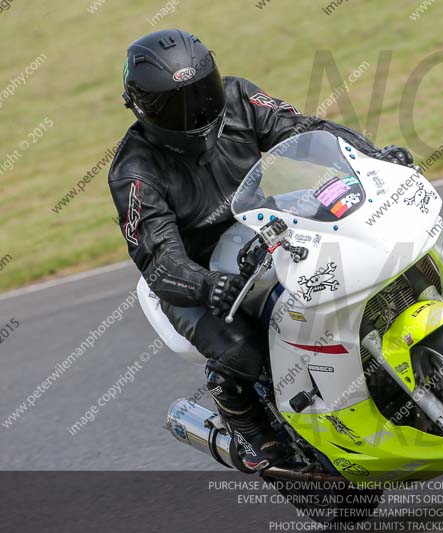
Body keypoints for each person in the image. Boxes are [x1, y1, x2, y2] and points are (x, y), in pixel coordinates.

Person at [108, 29, 412, 472]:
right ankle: (249, 427)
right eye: (175, 106)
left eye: (202, 93)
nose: (196, 111)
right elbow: (158, 257)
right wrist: (206, 284)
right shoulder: (134, 172)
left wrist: (371, 158)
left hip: (262, 224)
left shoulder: (239, 97)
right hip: (189, 277)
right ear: (139, 109)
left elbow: (307, 130)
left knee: (347, 264)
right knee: (242, 351)